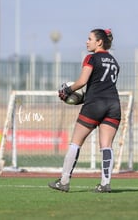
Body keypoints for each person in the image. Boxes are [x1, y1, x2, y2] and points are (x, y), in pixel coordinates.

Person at [48, 28, 121, 193]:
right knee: (107, 146)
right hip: (114, 105)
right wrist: (81, 97)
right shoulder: (115, 62)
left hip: (95, 104)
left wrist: (67, 91)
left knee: (76, 142)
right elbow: (102, 83)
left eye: (89, 39)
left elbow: (82, 81)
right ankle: (105, 184)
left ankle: (64, 181)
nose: (87, 42)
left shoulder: (91, 57)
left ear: (99, 42)